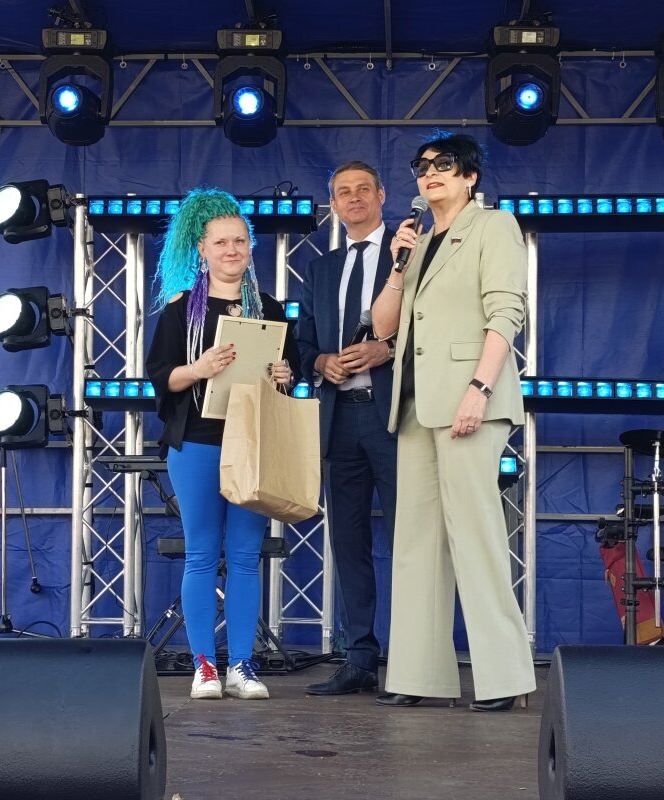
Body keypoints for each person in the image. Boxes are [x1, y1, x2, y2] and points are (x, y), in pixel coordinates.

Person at [371, 133, 536, 710]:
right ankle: (417, 675)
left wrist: (480, 388)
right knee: (415, 544)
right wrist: (396, 267)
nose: (430, 173)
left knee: (476, 535)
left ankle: (505, 678)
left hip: (469, 399)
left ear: (470, 177)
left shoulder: (494, 226)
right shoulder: (416, 243)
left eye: (444, 165)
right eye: (422, 166)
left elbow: (506, 312)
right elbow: (383, 327)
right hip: (417, 405)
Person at [146, 188, 300, 701]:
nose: (232, 250)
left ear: (250, 246)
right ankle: (205, 667)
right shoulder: (179, 310)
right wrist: (199, 368)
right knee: (200, 554)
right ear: (202, 250)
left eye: (239, 241)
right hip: (196, 443)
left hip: (252, 444)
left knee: (245, 555)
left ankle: (242, 665)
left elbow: (289, 378)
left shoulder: (271, 310)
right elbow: (161, 379)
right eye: (221, 242)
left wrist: (285, 375)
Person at [296, 161, 397, 696]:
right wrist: (320, 363)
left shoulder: (411, 256)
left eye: (363, 189)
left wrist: (387, 349)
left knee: (410, 540)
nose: (354, 198)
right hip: (338, 420)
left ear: (382, 195)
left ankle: (412, 659)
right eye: (343, 192)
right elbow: (301, 342)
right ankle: (359, 658)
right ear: (333, 205)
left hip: (395, 419)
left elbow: (433, 328)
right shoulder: (320, 269)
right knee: (349, 542)